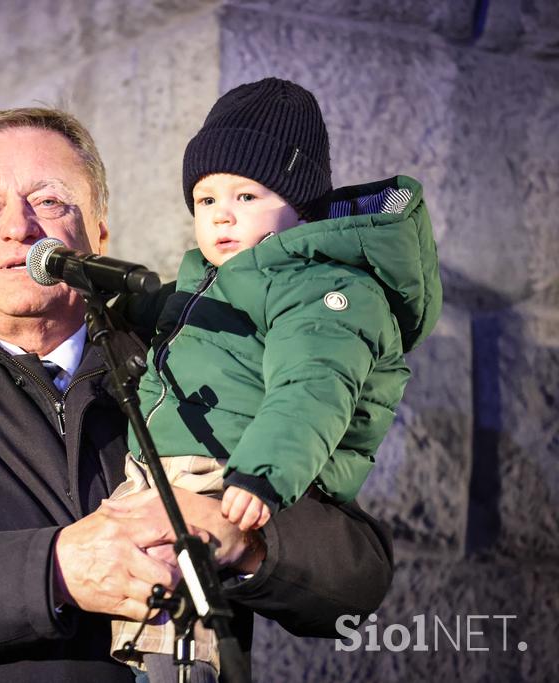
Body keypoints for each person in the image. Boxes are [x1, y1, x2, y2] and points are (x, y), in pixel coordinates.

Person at [0, 108, 396, 682]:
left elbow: (359, 575)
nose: (18, 228)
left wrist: (248, 541)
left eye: (49, 201)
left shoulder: (186, 353)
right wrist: (53, 569)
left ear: (98, 234)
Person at [108, 78, 442, 678]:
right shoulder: (212, 281)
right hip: (166, 469)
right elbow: (165, 318)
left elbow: (313, 387)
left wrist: (263, 473)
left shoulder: (322, 290)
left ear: (301, 207)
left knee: (178, 621)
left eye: (247, 196)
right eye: (206, 200)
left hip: (226, 471)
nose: (222, 215)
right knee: (133, 604)